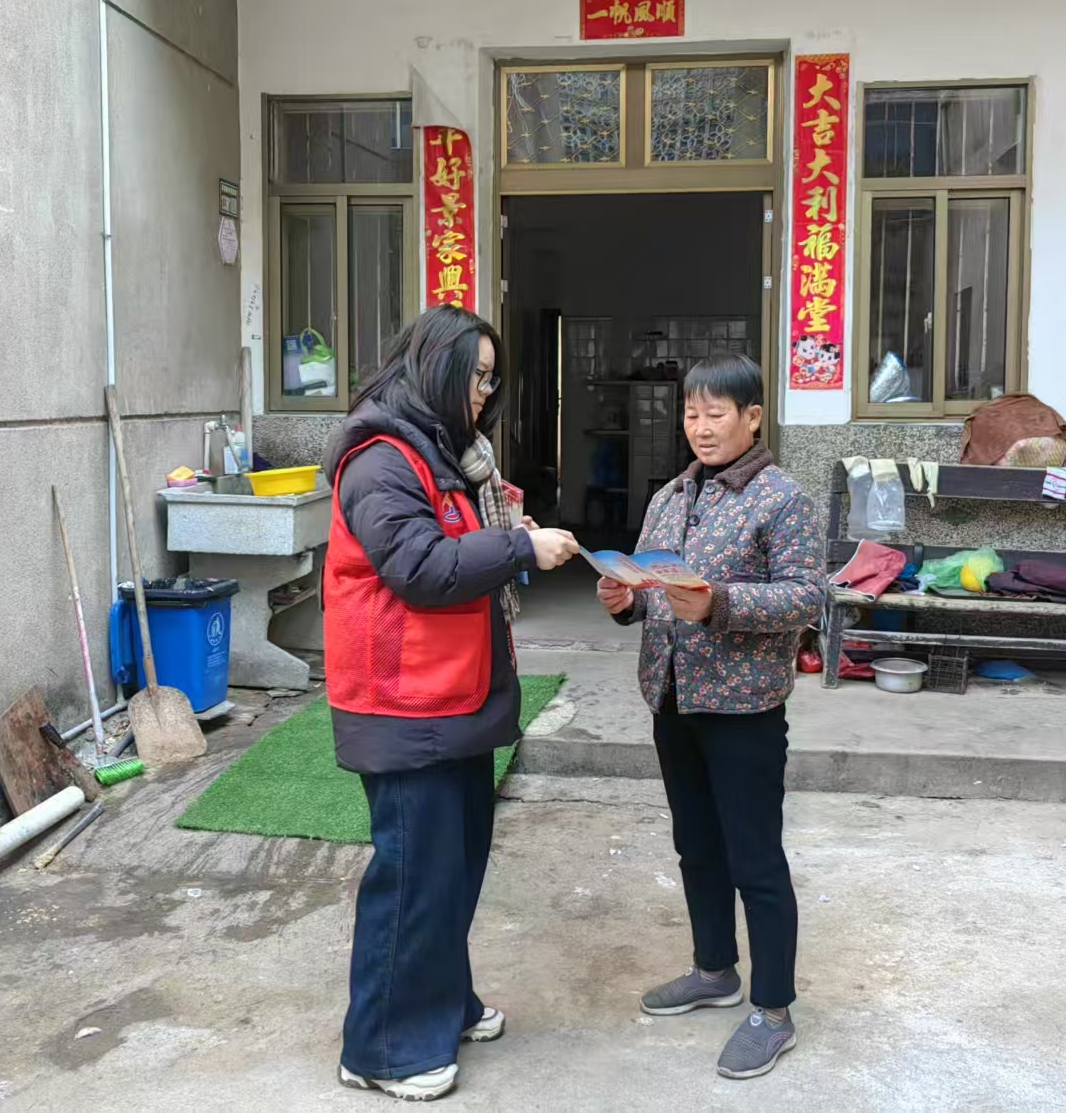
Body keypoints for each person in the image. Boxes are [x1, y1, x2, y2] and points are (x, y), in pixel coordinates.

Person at [324, 304, 580, 1102]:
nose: (483, 392)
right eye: (475, 375)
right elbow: (421, 566)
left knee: (452, 868)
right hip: (405, 703)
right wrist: (517, 545)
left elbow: (451, 541)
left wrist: (506, 531)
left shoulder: (442, 453)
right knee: (414, 878)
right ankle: (383, 1048)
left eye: (491, 379)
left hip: (450, 695)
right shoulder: (380, 459)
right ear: (434, 368)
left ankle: (442, 1001)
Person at [596, 352, 825, 1080]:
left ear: (752, 417)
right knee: (696, 845)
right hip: (673, 697)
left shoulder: (781, 498)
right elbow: (649, 584)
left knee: (754, 858)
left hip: (742, 706)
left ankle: (774, 1010)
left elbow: (806, 596)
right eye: (692, 413)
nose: (700, 427)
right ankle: (714, 970)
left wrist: (718, 603)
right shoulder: (671, 495)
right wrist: (626, 601)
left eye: (715, 413)